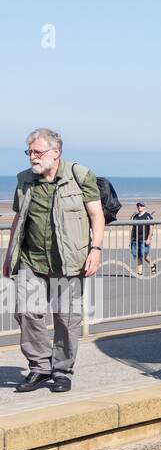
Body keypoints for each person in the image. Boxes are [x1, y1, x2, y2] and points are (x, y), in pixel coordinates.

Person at [3, 129, 103, 393]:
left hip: (68, 262)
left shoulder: (80, 176)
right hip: (31, 260)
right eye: (29, 152)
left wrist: (96, 249)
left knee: (65, 319)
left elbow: (96, 215)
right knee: (26, 311)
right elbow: (18, 219)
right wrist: (8, 254)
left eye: (37, 152)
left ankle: (62, 370)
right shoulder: (24, 180)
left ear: (55, 153)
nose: (32, 158)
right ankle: (40, 367)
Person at [130, 202, 156, 276]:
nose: (139, 207)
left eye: (141, 205)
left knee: (144, 255)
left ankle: (152, 264)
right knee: (138, 255)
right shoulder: (135, 216)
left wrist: (149, 238)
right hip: (136, 239)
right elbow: (133, 228)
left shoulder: (147, 216)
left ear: (144, 207)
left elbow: (151, 227)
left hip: (144, 239)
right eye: (138, 206)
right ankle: (139, 272)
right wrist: (131, 239)